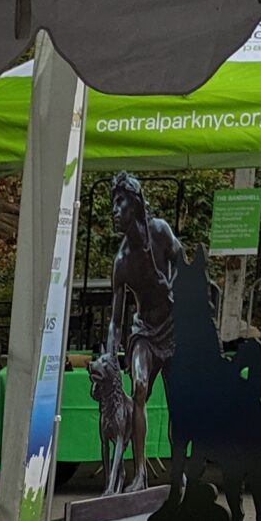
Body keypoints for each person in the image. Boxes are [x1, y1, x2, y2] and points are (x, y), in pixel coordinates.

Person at [101, 172, 183, 490]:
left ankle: (179, 472)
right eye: (113, 203)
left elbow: (182, 262)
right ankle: (139, 475)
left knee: (178, 398)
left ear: (135, 204)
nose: (114, 209)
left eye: (120, 202)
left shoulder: (160, 231)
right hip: (144, 331)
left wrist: (173, 288)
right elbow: (115, 320)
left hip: (173, 326)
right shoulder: (121, 262)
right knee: (138, 388)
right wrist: (110, 355)